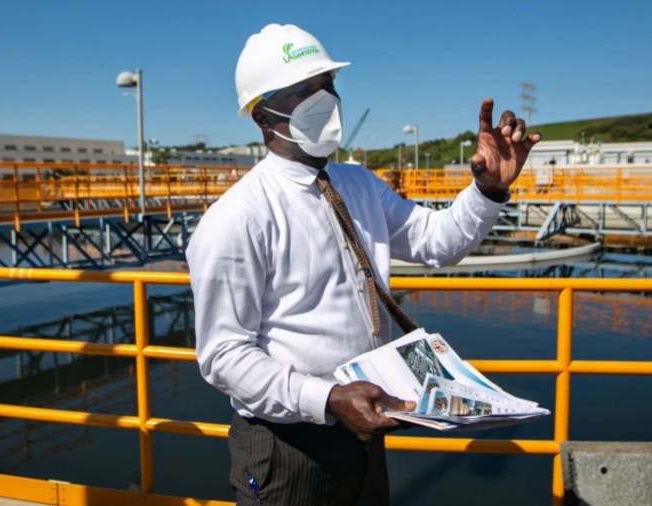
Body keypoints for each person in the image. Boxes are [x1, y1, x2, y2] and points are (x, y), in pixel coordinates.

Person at [186, 23, 540, 506]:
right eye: (302, 91)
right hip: (289, 449)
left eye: (327, 85)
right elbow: (224, 356)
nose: (324, 99)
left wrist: (488, 190)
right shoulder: (237, 218)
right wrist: (327, 399)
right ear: (263, 116)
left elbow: (436, 242)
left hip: (366, 428)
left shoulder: (358, 184)